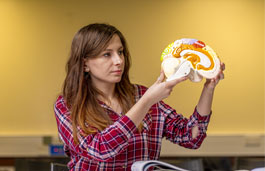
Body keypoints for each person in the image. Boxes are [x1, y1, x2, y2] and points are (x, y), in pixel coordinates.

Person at [54, 23, 225, 171]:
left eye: (120, 52)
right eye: (107, 54)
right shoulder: (67, 105)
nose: (118, 61)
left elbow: (191, 138)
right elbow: (100, 150)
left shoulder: (141, 94)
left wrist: (209, 88)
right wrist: (147, 101)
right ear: (85, 64)